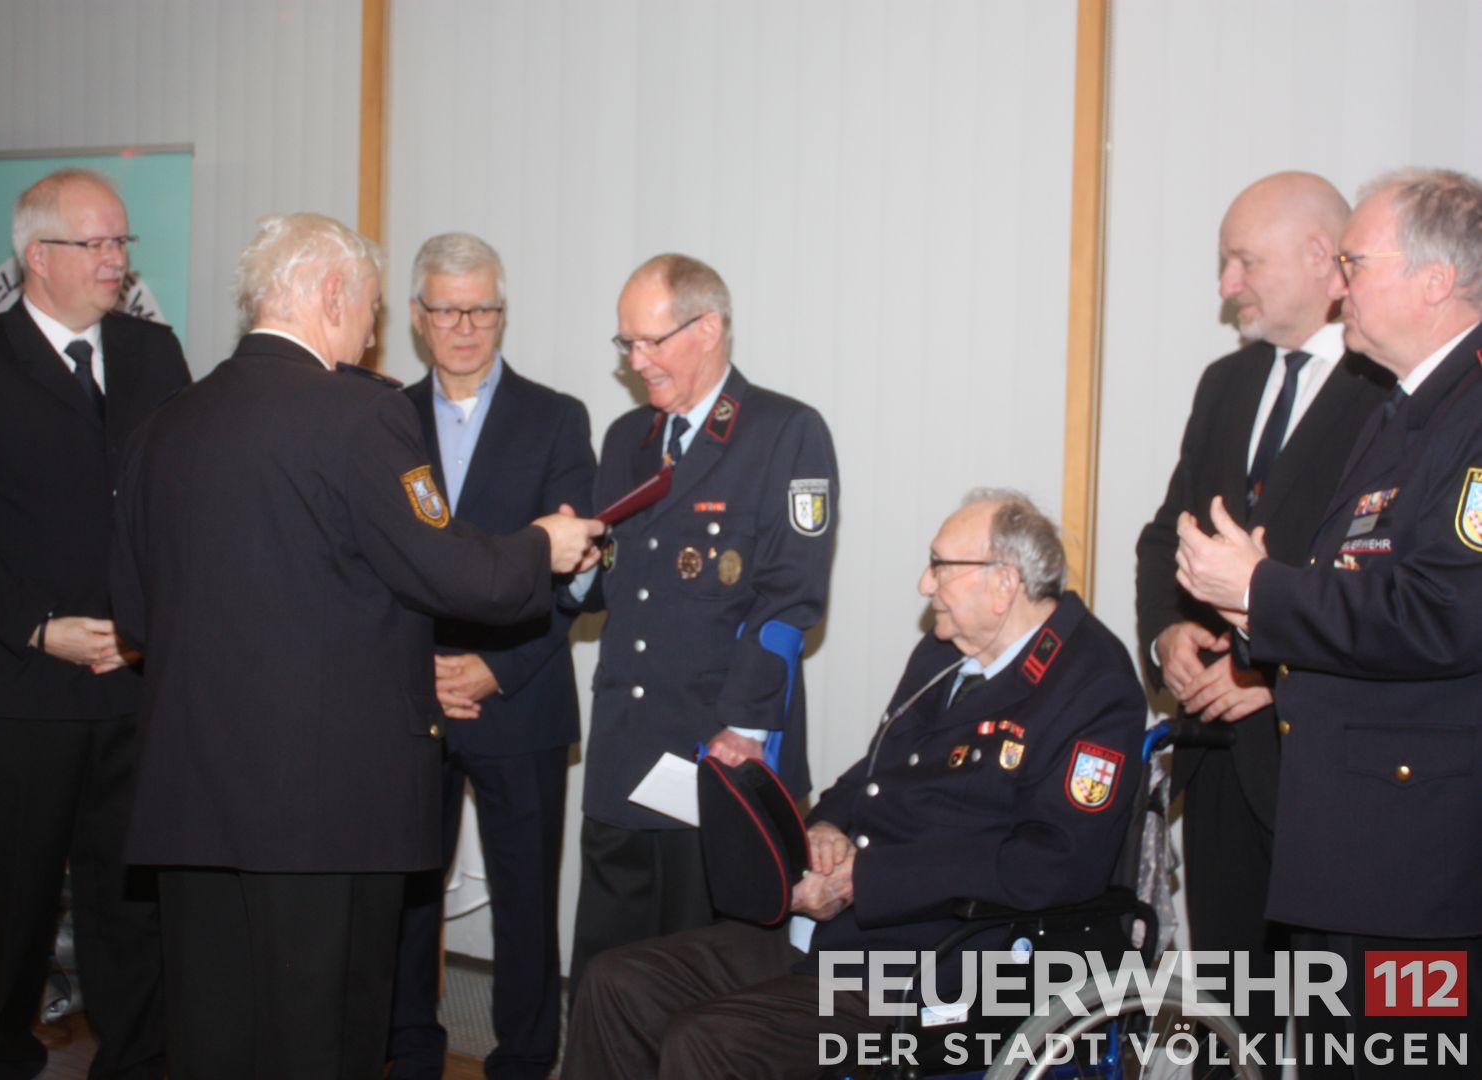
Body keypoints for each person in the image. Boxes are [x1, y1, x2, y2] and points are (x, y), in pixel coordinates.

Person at [109, 212, 602, 1080]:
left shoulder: (166, 424)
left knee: (211, 1034)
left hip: (192, 798)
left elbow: (137, 622)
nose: (373, 333)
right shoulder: (362, 416)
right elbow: (450, 570)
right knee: (319, 1037)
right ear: (332, 294)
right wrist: (542, 546)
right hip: (324, 809)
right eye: (373, 309)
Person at [563, 491, 1147, 1079]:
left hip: (944, 965)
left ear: (1004, 584)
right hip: (840, 932)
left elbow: (1052, 865)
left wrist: (864, 880)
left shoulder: (1090, 684)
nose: (924, 584)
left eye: (941, 566)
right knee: (617, 982)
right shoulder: (944, 652)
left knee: (711, 1040)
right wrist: (824, 827)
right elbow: (876, 772)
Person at [1176, 167, 1482, 1078]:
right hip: (1353, 848)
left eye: (1356, 263)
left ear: (1435, 279)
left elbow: (1446, 613)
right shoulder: (1404, 407)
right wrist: (1249, 604)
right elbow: (1356, 585)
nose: (1339, 287)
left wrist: (1261, 591)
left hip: (1419, 862)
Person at [0, 168, 190, 1079]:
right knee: (12, 894)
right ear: (38, 256)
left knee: (130, 895)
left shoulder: (154, 353)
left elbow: (180, 505)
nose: (116, 261)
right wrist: (41, 629)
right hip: (20, 685)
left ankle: (135, 1058)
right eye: (96, 244)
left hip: (132, 679)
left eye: (121, 243)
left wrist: (144, 625)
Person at [1134, 172, 1391, 1071]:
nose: (1226, 285)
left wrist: (1273, 671)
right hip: (1218, 758)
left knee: (1335, 1024)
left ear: (1323, 257)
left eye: (1244, 261)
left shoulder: (1389, 388)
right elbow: (1166, 535)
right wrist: (1168, 636)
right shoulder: (1227, 382)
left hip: (1324, 762)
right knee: (1229, 1019)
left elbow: (1386, 583)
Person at [567, 253, 839, 995]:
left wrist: (744, 732)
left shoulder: (784, 432)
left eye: (650, 341)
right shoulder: (627, 438)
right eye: (626, 344)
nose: (635, 361)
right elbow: (609, 587)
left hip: (717, 755)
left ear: (709, 328)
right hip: (625, 757)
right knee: (605, 979)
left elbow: (789, 599)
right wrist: (575, 568)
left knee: (703, 992)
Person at [387, 233, 596, 1080]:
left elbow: (579, 574)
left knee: (526, 898)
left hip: (522, 694)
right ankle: (409, 1050)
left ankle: (525, 1058)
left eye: (481, 309)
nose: (465, 327)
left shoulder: (558, 418)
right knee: (405, 894)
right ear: (417, 316)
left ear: (502, 314)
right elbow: (369, 565)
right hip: (409, 699)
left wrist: (495, 668)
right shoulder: (383, 420)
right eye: (447, 310)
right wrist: (420, 669)